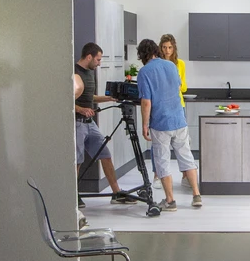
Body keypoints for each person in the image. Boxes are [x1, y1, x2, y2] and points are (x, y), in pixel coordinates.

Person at [136, 38, 202, 211]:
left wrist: (144, 125)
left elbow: (146, 102)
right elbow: (178, 87)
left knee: (162, 161)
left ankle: (170, 201)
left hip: (160, 123)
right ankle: (196, 195)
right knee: (186, 156)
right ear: (157, 50)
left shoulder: (144, 72)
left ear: (142, 55)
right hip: (179, 119)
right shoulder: (172, 66)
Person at [74, 43, 138, 206]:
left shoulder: (89, 73)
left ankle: (116, 193)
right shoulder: (74, 73)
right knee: (77, 160)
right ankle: (73, 195)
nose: (99, 63)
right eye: (98, 59)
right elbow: (65, 100)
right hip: (77, 123)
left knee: (105, 154)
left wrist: (109, 98)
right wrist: (81, 109)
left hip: (90, 123)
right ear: (89, 57)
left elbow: (90, 97)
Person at [154, 33, 192, 192]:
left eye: (170, 47)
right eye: (164, 47)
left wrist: (177, 86)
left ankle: (186, 176)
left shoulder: (180, 64)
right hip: (161, 106)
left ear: (174, 48)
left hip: (178, 105)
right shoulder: (156, 64)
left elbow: (184, 87)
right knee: (159, 143)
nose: (167, 50)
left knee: (183, 143)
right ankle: (157, 175)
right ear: (160, 48)